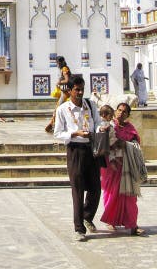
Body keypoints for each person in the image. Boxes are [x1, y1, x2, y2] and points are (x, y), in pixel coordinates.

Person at [54, 75, 100, 242]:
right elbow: (57, 133)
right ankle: (79, 228)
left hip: (91, 149)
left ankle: (87, 215)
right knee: (78, 190)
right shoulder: (63, 110)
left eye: (82, 89)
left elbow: (98, 122)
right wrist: (75, 133)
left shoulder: (90, 105)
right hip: (75, 151)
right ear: (70, 90)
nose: (80, 93)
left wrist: (102, 128)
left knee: (96, 188)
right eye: (77, 90)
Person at [100, 102, 146, 235]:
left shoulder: (130, 128)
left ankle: (132, 224)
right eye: (119, 110)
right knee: (111, 193)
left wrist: (125, 144)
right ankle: (111, 220)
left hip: (127, 165)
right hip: (112, 166)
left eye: (124, 111)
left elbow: (136, 144)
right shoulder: (109, 125)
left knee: (130, 196)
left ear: (128, 115)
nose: (121, 113)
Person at [45, 56, 73, 133]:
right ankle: (53, 123)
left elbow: (67, 80)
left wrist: (59, 82)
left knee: (58, 109)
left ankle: (53, 124)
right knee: (59, 108)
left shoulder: (64, 69)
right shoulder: (64, 69)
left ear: (59, 62)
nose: (57, 65)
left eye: (57, 63)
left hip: (66, 93)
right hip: (65, 92)